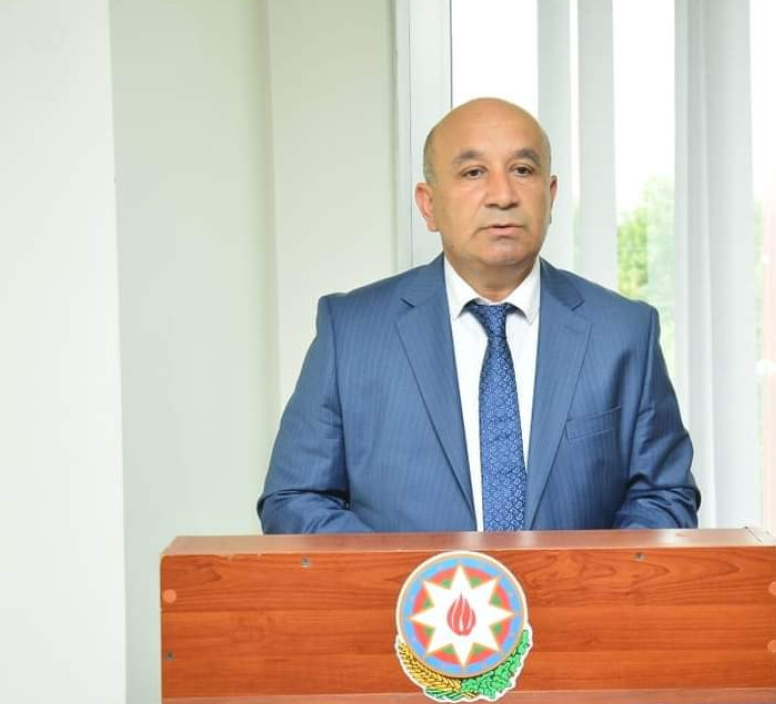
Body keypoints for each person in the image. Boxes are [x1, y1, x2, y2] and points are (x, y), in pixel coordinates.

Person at [258, 97, 699, 535]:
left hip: (578, 584)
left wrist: (587, 575)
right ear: (428, 205)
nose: (503, 196)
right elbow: (295, 500)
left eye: (522, 170)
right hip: (404, 585)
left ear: (550, 196)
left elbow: (664, 497)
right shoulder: (351, 332)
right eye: (473, 173)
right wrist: (407, 573)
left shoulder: (624, 333)